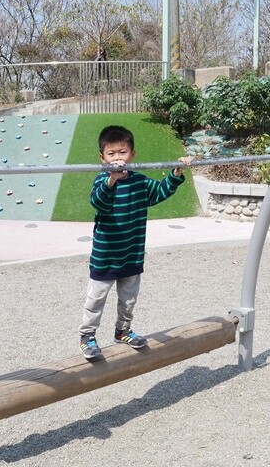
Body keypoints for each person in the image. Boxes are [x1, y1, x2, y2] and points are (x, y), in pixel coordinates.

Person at [78, 125, 191, 360]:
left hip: (132, 253)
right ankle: (87, 335)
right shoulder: (102, 181)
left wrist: (176, 172)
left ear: (132, 154)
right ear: (102, 158)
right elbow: (98, 203)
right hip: (106, 255)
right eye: (111, 154)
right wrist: (111, 180)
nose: (118, 158)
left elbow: (160, 192)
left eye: (122, 152)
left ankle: (123, 331)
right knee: (96, 299)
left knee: (128, 299)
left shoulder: (139, 181)